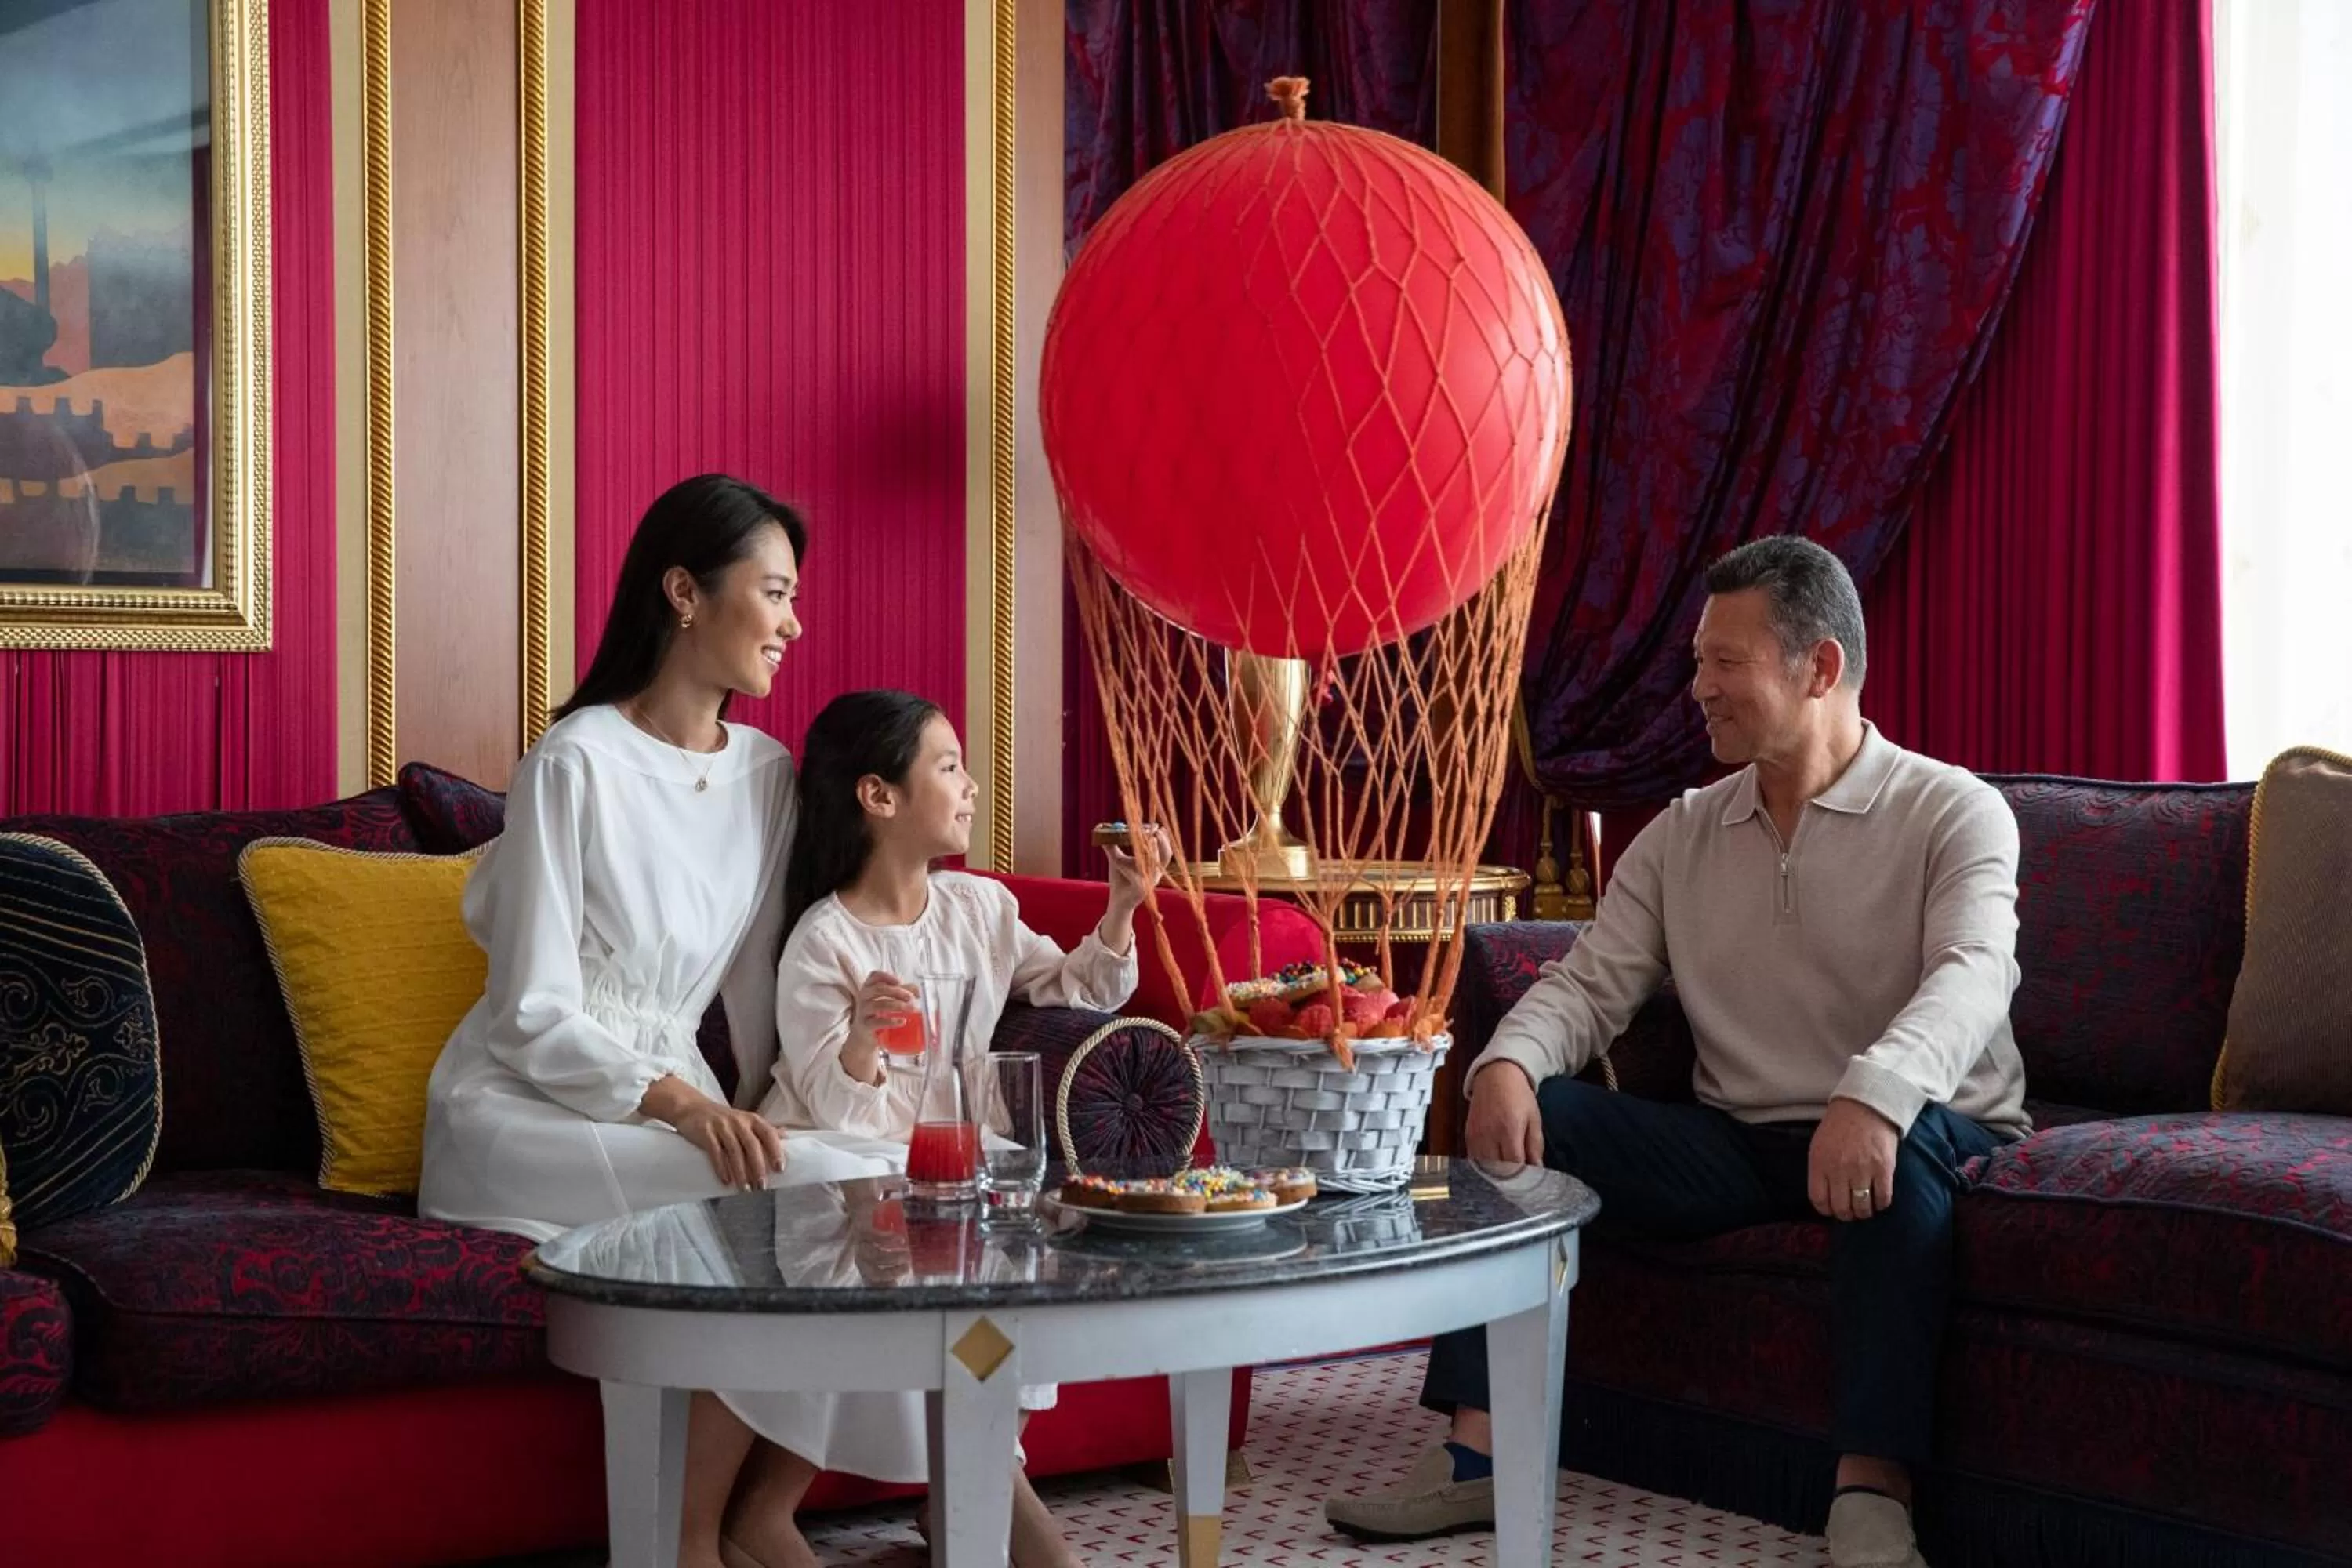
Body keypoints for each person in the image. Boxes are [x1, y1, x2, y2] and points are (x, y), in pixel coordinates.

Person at [1324, 536, 2029, 1568]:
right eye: (1698, 663)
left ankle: (1870, 1496)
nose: (1696, 688)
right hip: (1741, 1139)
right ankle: (1477, 1463)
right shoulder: (1683, 832)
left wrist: (1875, 1095)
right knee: (1540, 1130)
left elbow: (1973, 974)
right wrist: (1509, 1067)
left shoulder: (1953, 810)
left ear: (1820, 668)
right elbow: (1587, 981)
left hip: (1928, 1126)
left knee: (1901, 1156)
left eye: (1724, 664)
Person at [419, 473, 890, 1568]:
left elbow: (755, 992)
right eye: (773, 593)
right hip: (530, 1110)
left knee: (873, 1168)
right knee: (805, 1199)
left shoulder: (767, 775)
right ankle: (688, 1541)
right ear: (684, 592)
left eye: (793, 596)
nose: (794, 622)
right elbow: (531, 1011)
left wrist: (791, 1108)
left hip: (675, 1099)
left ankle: (763, 1514)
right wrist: (684, 1106)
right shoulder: (573, 761)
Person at [724, 688, 1168, 1568]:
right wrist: (858, 1039)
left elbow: (1075, 987)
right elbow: (831, 1103)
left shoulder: (981, 910)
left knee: (1009, 1232)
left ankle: (969, 1487)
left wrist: (1120, 908)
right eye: (949, 765)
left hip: (944, 1153)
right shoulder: (825, 940)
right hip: (835, 1145)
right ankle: (766, 1513)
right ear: (879, 796)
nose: (970, 785)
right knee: (873, 1223)